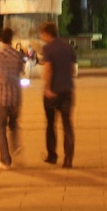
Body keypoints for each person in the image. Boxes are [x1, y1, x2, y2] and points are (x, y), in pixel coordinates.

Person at [0, 26, 25, 170]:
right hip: (15, 97)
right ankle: (15, 145)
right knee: (13, 124)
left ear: (0, 39)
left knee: (1, 129)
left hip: (0, 98)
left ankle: (5, 160)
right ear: (11, 39)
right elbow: (21, 71)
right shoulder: (18, 55)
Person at [39, 21, 76, 168]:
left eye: (42, 34)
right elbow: (73, 70)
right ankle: (68, 159)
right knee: (67, 126)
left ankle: (52, 155)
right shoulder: (68, 47)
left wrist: (48, 88)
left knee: (50, 124)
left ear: (48, 34)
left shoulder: (48, 48)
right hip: (67, 90)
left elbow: (48, 69)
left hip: (53, 92)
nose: (42, 37)